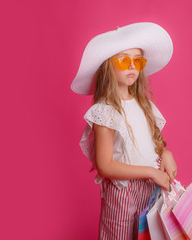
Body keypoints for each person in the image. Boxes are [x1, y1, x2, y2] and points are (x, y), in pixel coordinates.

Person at [71, 22, 177, 239]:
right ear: (108, 66)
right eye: (124, 60)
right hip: (123, 194)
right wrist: (150, 172)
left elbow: (151, 144)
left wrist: (165, 154)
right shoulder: (105, 111)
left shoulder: (144, 104)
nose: (132, 66)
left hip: (150, 189)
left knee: (151, 235)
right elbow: (105, 165)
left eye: (137, 60)